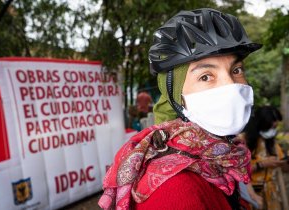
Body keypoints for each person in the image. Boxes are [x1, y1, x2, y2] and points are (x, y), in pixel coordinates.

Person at [98, 8, 262, 209]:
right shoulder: (176, 190)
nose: (230, 86)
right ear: (178, 98)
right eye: (205, 76)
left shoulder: (221, 156)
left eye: (236, 70)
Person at [243, 106, 287, 210]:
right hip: (252, 194)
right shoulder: (244, 142)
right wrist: (261, 164)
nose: (272, 131)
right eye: (270, 128)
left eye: (275, 128)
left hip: (272, 194)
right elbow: (239, 172)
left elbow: (284, 168)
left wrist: (284, 162)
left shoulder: (272, 143)